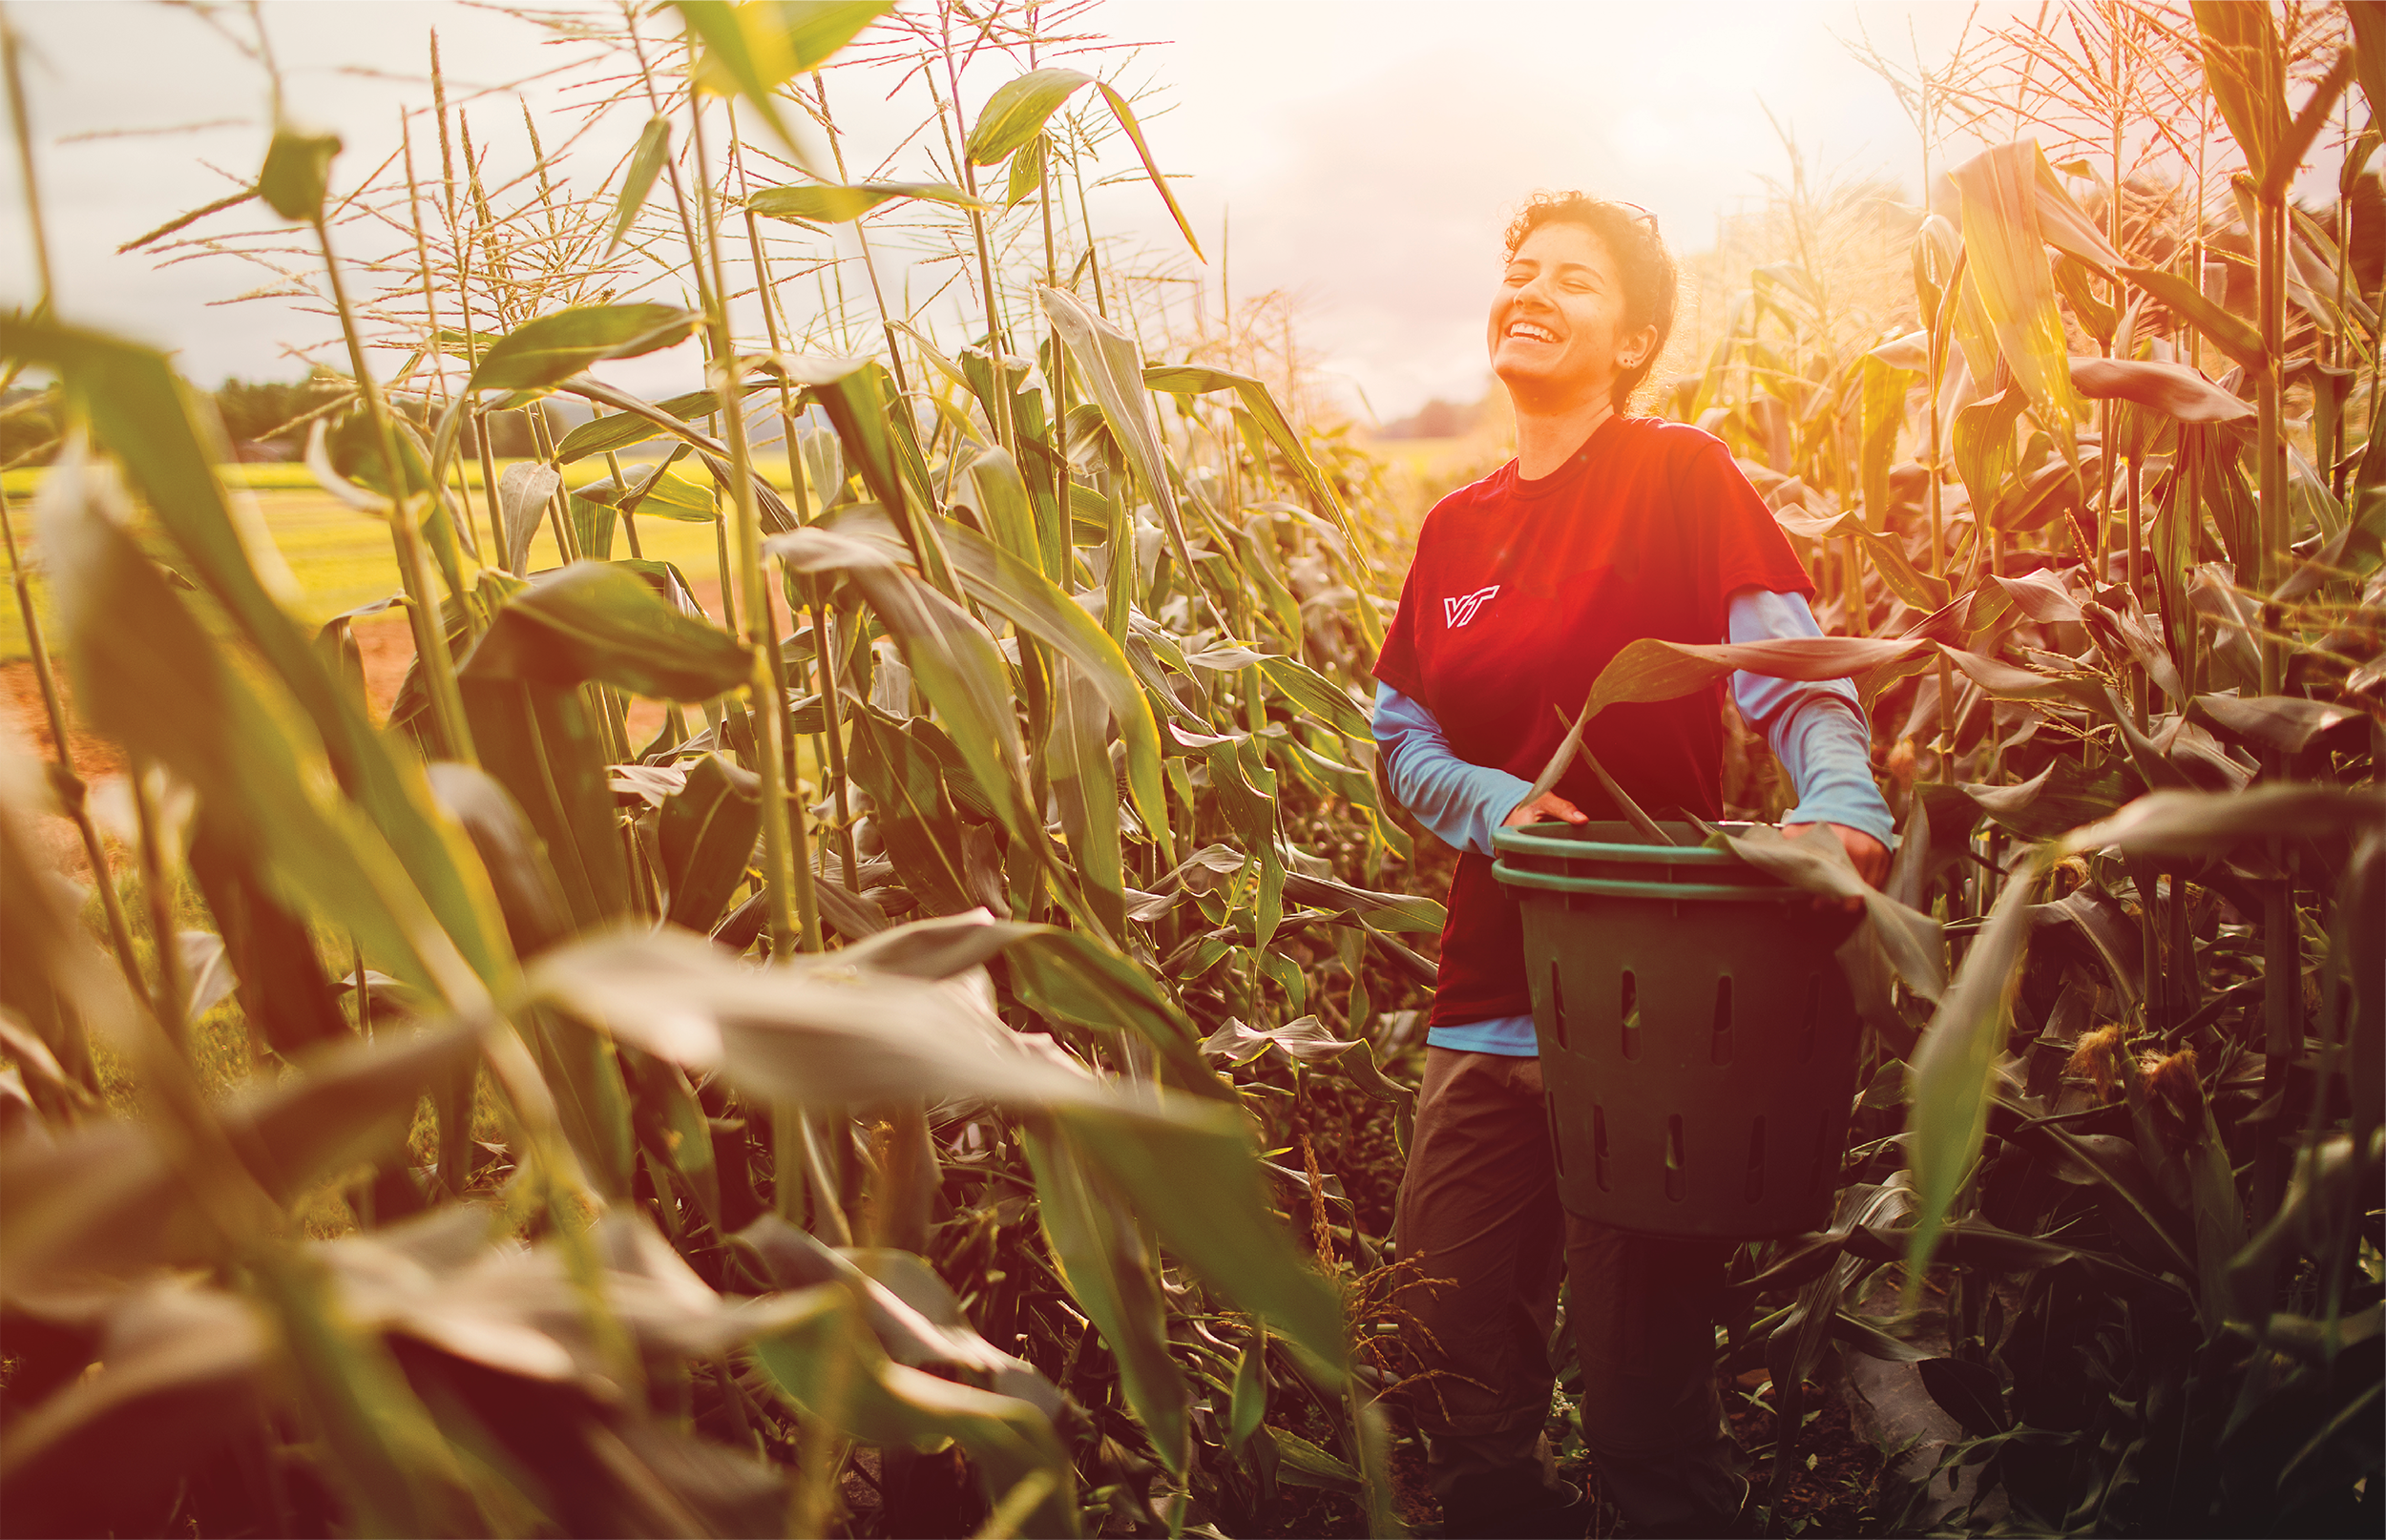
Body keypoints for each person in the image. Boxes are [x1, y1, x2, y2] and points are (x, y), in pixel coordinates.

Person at [1371, 192, 1896, 1540]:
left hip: (1647, 1001)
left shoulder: (1679, 475)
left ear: (1635, 335)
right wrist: (1499, 803)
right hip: (1489, 984)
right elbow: (1403, 732)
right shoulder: (1454, 532)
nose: (1529, 290)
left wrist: (1838, 798)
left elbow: (1789, 669)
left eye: (1573, 281)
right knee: (1444, 1339)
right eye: (1516, 268)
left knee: (1643, 1396)